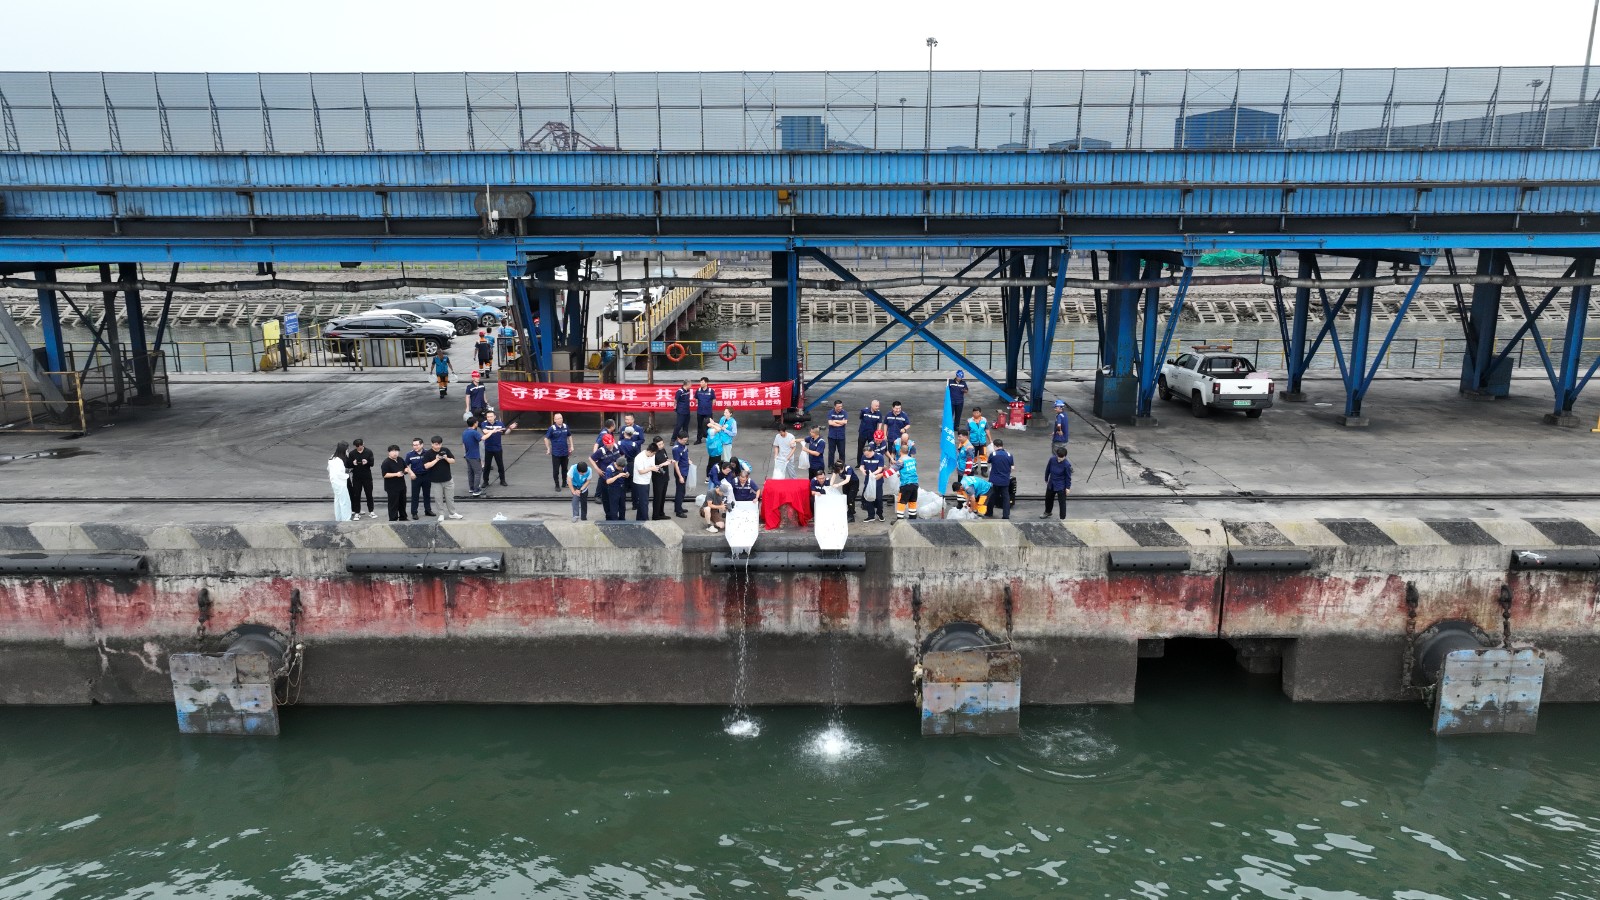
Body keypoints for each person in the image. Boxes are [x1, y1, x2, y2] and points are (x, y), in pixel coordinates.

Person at [426, 435, 461, 519]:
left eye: (439, 444)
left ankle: (452, 513)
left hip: (448, 479)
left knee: (450, 498)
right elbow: (426, 466)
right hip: (436, 481)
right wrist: (436, 459)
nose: (438, 446)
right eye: (436, 444)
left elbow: (453, 461)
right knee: (438, 499)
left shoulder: (445, 450)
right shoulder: (428, 453)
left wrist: (446, 458)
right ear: (432, 444)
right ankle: (441, 514)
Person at [633, 437, 666, 521]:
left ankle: (639, 519)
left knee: (642, 502)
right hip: (640, 482)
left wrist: (657, 468)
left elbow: (652, 465)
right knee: (644, 502)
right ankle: (645, 520)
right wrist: (651, 469)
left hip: (646, 481)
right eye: (653, 453)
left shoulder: (651, 456)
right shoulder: (639, 458)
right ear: (650, 451)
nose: (654, 455)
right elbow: (641, 471)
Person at [482, 411, 516, 487]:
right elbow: (485, 432)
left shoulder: (500, 424)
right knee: (487, 466)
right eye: (488, 417)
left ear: (494, 417)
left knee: (500, 465)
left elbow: (505, 433)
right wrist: (494, 430)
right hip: (488, 448)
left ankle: (502, 480)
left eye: (491, 416)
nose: (489, 418)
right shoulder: (484, 424)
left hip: (497, 448)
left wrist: (510, 428)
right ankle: (485, 481)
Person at [405, 438, 434, 519]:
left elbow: (432, 463)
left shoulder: (428, 453)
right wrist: (411, 473)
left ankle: (428, 510)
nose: (415, 447)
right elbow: (405, 465)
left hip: (426, 476)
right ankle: (414, 512)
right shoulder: (410, 454)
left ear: (422, 445)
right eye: (414, 445)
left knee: (427, 494)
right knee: (415, 495)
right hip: (416, 477)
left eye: (417, 445)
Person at [347, 438, 376, 519]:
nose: (359, 448)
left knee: (369, 494)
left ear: (363, 444)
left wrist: (367, 462)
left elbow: (372, 463)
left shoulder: (368, 452)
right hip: (356, 477)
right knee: (356, 495)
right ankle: (357, 512)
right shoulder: (352, 453)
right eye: (357, 447)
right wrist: (353, 463)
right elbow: (348, 464)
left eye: (360, 446)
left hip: (367, 477)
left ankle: (371, 511)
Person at [1043, 445, 1073, 520]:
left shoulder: (1066, 465)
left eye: (1061, 458)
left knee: (1062, 502)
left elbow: (1068, 477)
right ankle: (1047, 512)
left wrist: (1068, 488)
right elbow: (1048, 469)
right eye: (1058, 457)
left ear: (1065, 457)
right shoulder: (1052, 459)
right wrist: (1046, 478)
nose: (1059, 459)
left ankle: (1062, 517)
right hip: (1051, 483)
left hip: (1060, 485)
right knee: (1048, 499)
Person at [701, 463, 733, 533]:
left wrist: (725, 507)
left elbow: (722, 504)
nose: (723, 495)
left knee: (721, 526)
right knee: (707, 509)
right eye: (723, 493)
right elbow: (709, 505)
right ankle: (709, 526)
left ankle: (713, 520)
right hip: (705, 509)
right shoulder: (710, 492)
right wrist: (720, 506)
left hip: (714, 511)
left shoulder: (721, 494)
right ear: (720, 490)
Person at [380, 444, 409, 521]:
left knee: (402, 503)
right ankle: (393, 519)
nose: (395, 453)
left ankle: (403, 517)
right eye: (392, 451)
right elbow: (385, 475)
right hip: (392, 487)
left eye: (396, 451)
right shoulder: (386, 462)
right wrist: (396, 474)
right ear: (389, 452)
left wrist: (406, 470)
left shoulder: (400, 459)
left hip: (402, 485)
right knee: (393, 504)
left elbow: (405, 467)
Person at [988, 438, 1014, 520]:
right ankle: (1006, 515)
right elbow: (1012, 468)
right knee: (1006, 497)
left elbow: (989, 461)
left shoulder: (993, 454)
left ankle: (989, 512)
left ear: (995, 446)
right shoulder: (1009, 455)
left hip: (994, 480)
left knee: (992, 496)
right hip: (1005, 480)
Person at [544, 413, 571, 492]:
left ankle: (564, 483)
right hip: (556, 453)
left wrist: (571, 446)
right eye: (558, 418)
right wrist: (548, 448)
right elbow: (546, 438)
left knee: (565, 469)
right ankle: (557, 485)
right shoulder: (552, 428)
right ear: (555, 420)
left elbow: (569, 436)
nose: (560, 420)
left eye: (561, 418)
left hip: (565, 452)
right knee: (556, 470)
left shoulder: (565, 426)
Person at [859, 444, 886, 522]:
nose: (866, 456)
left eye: (867, 455)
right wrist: (862, 470)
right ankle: (871, 515)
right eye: (865, 455)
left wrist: (873, 474)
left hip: (877, 480)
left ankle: (880, 513)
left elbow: (880, 469)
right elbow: (861, 465)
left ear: (872, 452)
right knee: (869, 497)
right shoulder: (864, 456)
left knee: (879, 498)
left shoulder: (879, 457)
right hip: (868, 480)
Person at [328, 442, 354, 523]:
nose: (347, 451)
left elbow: (329, 469)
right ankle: (346, 519)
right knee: (344, 501)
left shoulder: (332, 458)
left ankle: (339, 518)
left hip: (334, 482)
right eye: (347, 450)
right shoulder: (338, 461)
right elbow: (339, 473)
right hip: (340, 483)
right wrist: (347, 475)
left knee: (338, 501)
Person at [461, 418, 485, 498]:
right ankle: (476, 490)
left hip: (468, 455)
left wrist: (465, 453)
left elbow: (463, 444)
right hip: (474, 456)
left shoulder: (465, 432)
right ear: (475, 423)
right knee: (478, 472)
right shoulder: (474, 432)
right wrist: (492, 432)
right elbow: (483, 438)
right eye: (477, 422)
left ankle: (471, 488)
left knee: (470, 472)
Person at [893, 446, 919, 520]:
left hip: (906, 484)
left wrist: (882, 474)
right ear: (908, 451)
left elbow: (891, 471)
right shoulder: (913, 460)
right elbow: (911, 470)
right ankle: (913, 520)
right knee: (912, 501)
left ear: (900, 451)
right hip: (915, 484)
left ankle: (899, 520)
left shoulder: (900, 461)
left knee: (901, 502)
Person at [602, 452, 629, 521]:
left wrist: (626, 474)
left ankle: (622, 519)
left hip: (622, 488)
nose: (622, 469)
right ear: (618, 465)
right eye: (621, 468)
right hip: (613, 488)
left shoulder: (623, 465)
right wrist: (617, 476)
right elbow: (608, 481)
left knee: (622, 506)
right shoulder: (610, 468)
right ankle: (614, 521)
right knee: (614, 506)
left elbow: (627, 472)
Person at [650, 436, 671, 520]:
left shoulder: (663, 450)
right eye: (659, 444)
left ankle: (661, 512)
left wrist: (669, 461)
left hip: (665, 476)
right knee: (658, 496)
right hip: (657, 477)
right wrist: (663, 464)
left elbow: (665, 458)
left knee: (663, 496)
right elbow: (652, 466)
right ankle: (655, 515)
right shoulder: (653, 453)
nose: (661, 446)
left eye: (662, 443)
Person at [671, 432, 692, 518]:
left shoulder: (683, 445)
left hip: (685, 470)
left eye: (686, 440)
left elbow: (685, 454)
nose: (685, 442)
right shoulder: (676, 449)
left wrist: (688, 460)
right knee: (680, 492)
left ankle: (679, 507)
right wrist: (680, 477)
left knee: (682, 491)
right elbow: (676, 464)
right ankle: (678, 511)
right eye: (684, 440)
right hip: (681, 472)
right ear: (678, 439)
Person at [857, 399, 882, 465]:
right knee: (860, 448)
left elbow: (879, 423)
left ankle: (871, 463)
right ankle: (859, 463)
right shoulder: (864, 411)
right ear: (872, 405)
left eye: (878, 406)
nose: (877, 407)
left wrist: (878, 432)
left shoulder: (879, 413)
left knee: (872, 448)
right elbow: (861, 417)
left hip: (872, 434)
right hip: (863, 433)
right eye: (876, 406)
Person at [826, 399, 849, 469]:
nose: (840, 408)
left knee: (842, 452)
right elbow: (830, 423)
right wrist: (840, 422)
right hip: (832, 436)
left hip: (841, 436)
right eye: (838, 407)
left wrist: (835, 421)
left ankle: (841, 467)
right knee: (831, 452)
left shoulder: (844, 412)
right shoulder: (830, 412)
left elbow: (845, 422)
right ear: (835, 406)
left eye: (841, 406)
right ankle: (830, 466)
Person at [694, 377, 715, 443]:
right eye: (700, 382)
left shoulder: (711, 390)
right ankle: (698, 439)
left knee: (710, 425)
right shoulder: (698, 390)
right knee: (699, 425)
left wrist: (708, 405)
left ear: (706, 383)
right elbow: (696, 399)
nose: (700, 383)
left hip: (708, 412)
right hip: (700, 411)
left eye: (702, 382)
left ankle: (710, 439)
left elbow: (714, 399)